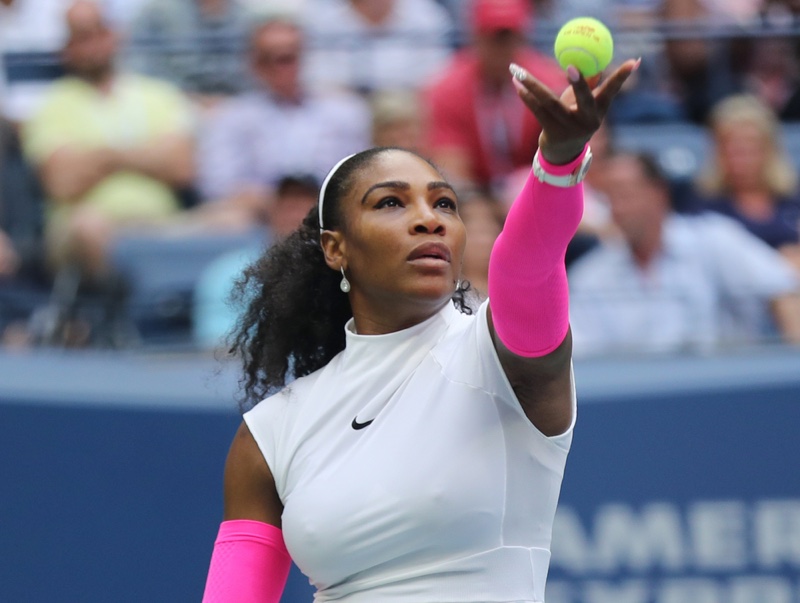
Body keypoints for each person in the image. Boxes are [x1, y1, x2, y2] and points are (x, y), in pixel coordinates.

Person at [200, 45, 639, 599]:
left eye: (445, 205)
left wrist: (558, 162)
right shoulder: (270, 433)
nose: (429, 220)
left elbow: (526, 265)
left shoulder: (499, 354)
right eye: (390, 203)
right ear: (335, 249)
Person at [20, 0, 196, 282]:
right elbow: (62, 181)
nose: (93, 45)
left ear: (115, 34)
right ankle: (117, 314)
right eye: (81, 36)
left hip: (162, 223)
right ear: (67, 48)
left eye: (98, 32)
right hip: (84, 231)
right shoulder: (51, 105)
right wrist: (143, 155)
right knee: (88, 226)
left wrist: (101, 157)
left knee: (237, 219)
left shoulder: (160, 95)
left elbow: (181, 167)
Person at [568, 151, 800, 357]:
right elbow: (582, 356)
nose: (618, 208)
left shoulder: (714, 239)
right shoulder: (590, 276)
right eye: (611, 198)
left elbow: (783, 288)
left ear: (659, 192)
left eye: (625, 195)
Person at [197, 13, 370, 228]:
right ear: (254, 63)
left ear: (303, 55)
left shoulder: (344, 110)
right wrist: (279, 204)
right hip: (258, 216)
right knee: (222, 218)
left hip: (330, 209)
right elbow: (217, 185)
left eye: (289, 57)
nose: (282, 67)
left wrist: (309, 203)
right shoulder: (231, 116)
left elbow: (361, 174)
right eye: (270, 58)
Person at [421, 0, 565, 195]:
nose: (502, 48)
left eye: (509, 37)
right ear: (476, 38)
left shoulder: (550, 83)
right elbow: (452, 167)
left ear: (522, 38)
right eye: (494, 38)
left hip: (536, 187)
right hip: (476, 198)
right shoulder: (447, 89)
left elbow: (566, 154)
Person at [693, 94, 800, 266]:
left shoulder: (793, 198)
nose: (741, 158)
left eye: (749, 147)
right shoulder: (705, 209)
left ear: (770, 150)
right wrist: (778, 264)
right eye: (731, 147)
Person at [302, 0, 454, 95]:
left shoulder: (426, 14)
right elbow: (316, 81)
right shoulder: (320, 17)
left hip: (409, 112)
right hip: (342, 117)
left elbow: (438, 77)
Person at [124, 0, 254, 110]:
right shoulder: (156, 14)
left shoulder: (249, 18)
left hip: (239, 110)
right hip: (171, 109)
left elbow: (257, 79)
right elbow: (140, 73)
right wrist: (194, 101)